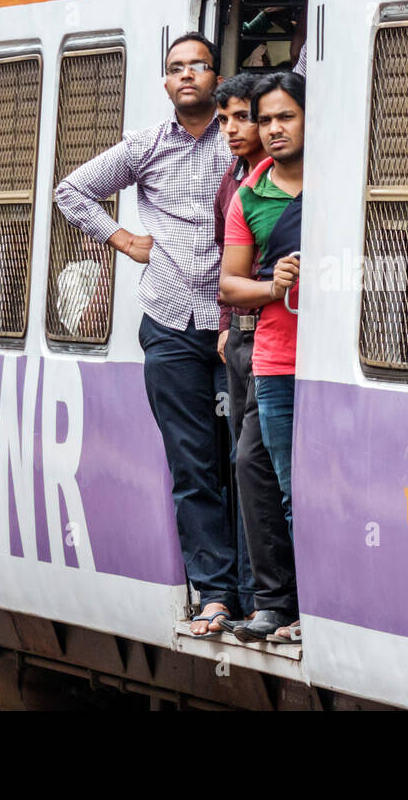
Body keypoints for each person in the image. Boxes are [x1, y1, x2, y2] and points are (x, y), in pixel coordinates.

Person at [55, 32, 243, 637]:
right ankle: (214, 594)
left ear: (216, 76)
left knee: (244, 460)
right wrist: (122, 239)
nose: (186, 75)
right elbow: (71, 190)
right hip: (168, 325)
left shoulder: (240, 142)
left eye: (198, 66)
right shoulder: (145, 145)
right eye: (175, 68)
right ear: (165, 83)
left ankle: (260, 593)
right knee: (192, 465)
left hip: (232, 324)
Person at [212, 75, 301, 640]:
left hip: (341, 362)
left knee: (302, 486)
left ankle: (314, 607)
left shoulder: (342, 183)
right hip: (276, 358)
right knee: (263, 475)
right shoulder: (250, 196)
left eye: (285, 117)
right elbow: (228, 286)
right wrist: (273, 288)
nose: (273, 130)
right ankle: (277, 604)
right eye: (265, 120)